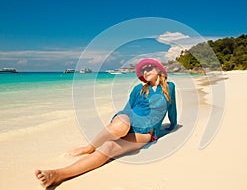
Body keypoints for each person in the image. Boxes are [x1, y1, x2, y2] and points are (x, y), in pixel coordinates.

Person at [34, 58, 177, 188]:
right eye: (143, 70)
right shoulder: (138, 89)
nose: (145, 72)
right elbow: (128, 108)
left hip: (146, 132)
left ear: (159, 70)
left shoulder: (170, 87)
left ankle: (59, 174)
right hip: (129, 119)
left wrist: (172, 125)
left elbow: (172, 109)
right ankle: (89, 148)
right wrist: (122, 120)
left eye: (149, 68)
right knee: (120, 125)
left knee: (109, 147)